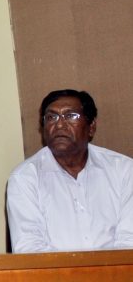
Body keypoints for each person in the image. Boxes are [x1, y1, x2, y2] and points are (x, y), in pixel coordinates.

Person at [7, 90, 133, 253]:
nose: (59, 125)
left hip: (118, 276)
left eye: (71, 116)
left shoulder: (123, 170)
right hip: (55, 277)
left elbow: (129, 242)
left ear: (91, 127)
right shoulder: (25, 178)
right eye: (51, 117)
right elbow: (30, 249)